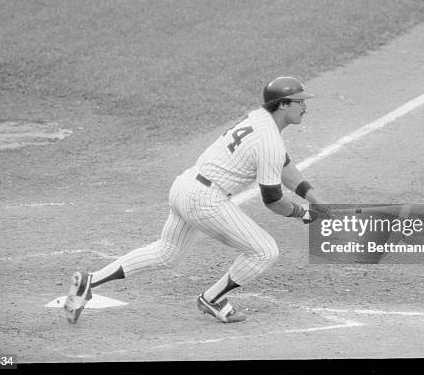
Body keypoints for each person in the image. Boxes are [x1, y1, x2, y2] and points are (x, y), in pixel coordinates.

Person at [63, 76, 326, 324]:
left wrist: (312, 196)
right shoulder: (269, 140)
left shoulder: (260, 119)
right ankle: (212, 298)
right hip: (205, 200)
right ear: (282, 105)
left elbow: (283, 164)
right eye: (300, 102)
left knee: (167, 252)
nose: (305, 107)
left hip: (185, 186)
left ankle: (89, 281)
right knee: (265, 251)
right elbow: (272, 200)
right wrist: (302, 213)